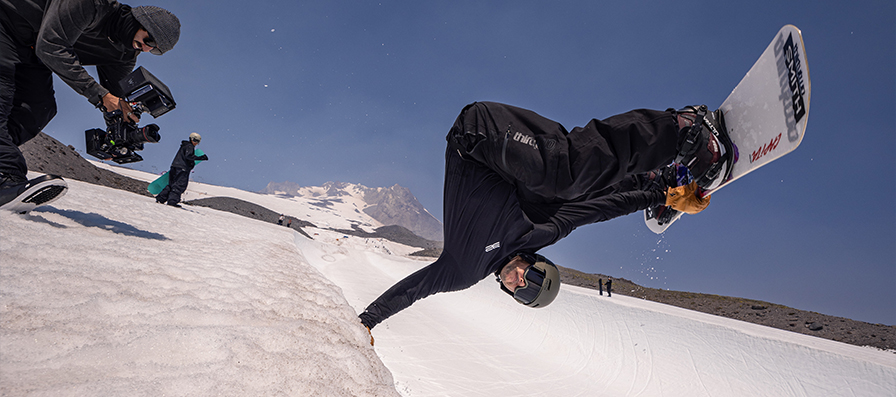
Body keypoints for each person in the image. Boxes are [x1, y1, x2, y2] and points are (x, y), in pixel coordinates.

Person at [358, 101, 728, 344]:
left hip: (472, 149)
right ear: (537, 263)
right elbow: (599, 213)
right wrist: (662, 199)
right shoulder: (539, 233)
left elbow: (413, 290)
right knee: (563, 183)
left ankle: (653, 177)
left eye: (522, 291)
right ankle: (680, 129)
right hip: (483, 132)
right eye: (532, 279)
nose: (520, 282)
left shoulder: (461, 269)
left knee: (564, 189)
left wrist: (367, 321)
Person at [0, 0, 181, 212]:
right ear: (138, 21)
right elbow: (50, 46)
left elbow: (114, 99)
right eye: (149, 40)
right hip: (8, 24)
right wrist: (101, 95)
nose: (147, 49)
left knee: (40, 109)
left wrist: (120, 134)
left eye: (156, 50)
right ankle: (6, 180)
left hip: (31, 50)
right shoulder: (91, 5)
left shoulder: (124, 54)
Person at [155, 132, 207, 207]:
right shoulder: (190, 147)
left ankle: (161, 198)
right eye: (195, 140)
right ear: (191, 139)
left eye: (198, 141)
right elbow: (189, 156)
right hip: (182, 168)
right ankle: (172, 201)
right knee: (179, 185)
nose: (196, 143)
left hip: (175, 166)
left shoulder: (184, 146)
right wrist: (201, 158)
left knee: (172, 184)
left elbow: (186, 157)